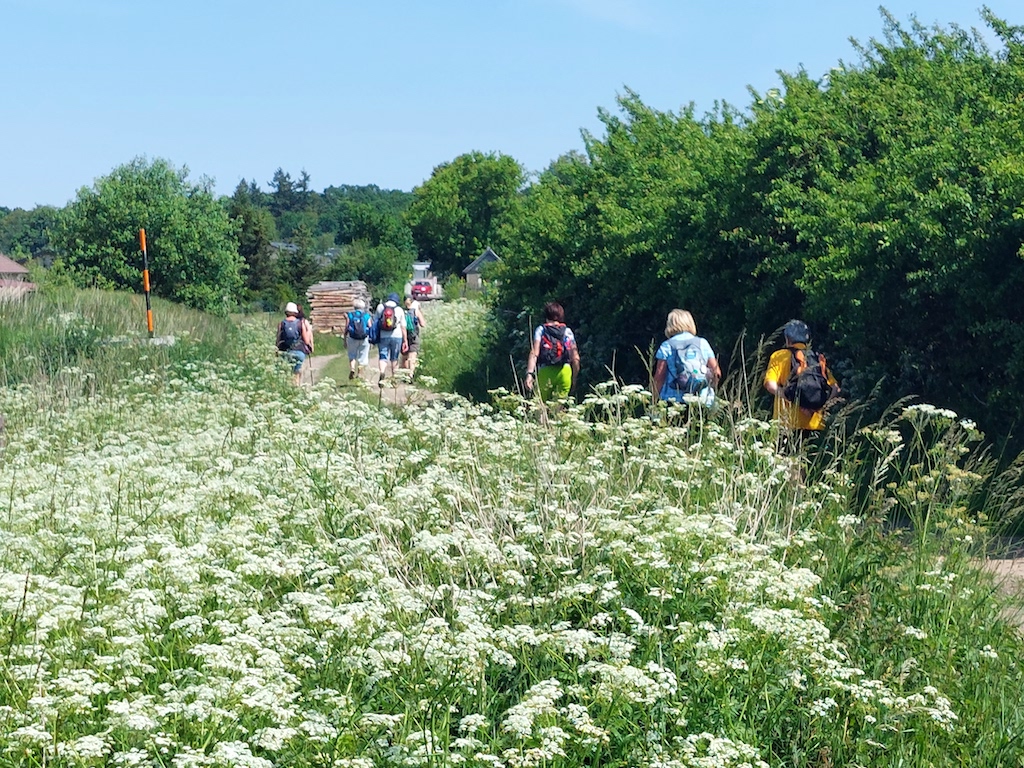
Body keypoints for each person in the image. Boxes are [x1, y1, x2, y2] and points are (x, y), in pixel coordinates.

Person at [763, 319, 840, 438]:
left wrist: (793, 400)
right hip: (815, 424)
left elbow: (770, 385)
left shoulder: (780, 356)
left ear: (787, 339)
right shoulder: (816, 358)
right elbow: (835, 388)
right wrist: (819, 408)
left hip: (787, 422)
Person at [652, 309, 721, 406]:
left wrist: (653, 399)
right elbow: (716, 372)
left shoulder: (667, 345)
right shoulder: (702, 343)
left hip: (673, 401)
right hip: (702, 401)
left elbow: (659, 377)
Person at [525, 301, 581, 402]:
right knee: (558, 409)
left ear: (546, 316)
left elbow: (534, 353)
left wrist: (529, 374)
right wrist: (574, 378)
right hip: (565, 371)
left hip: (546, 371)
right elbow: (575, 358)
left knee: (539, 406)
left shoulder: (541, 330)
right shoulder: (568, 332)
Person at [276, 301, 314, 385]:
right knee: (296, 374)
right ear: (295, 312)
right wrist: (309, 331)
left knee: (287, 374)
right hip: (299, 352)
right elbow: (306, 341)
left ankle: (289, 390)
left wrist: (276, 352)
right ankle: (296, 388)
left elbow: (278, 341)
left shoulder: (281, 324)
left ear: (286, 312)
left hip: (285, 353)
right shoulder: (300, 323)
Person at [375, 292, 408, 386]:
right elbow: (403, 327)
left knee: (383, 356)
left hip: (383, 335)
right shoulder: (399, 309)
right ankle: (394, 379)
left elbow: (375, 321)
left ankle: (382, 372)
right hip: (397, 336)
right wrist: (405, 340)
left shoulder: (380, 307)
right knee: (394, 358)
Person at [345, 298, 373, 381]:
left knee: (352, 354)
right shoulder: (366, 315)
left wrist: (344, 338)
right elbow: (370, 326)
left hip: (352, 337)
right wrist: (371, 339)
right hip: (364, 338)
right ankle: (360, 373)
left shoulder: (350, 315)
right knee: (363, 356)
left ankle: (352, 369)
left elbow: (346, 327)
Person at [401, 294, 427, 378]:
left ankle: (405, 375)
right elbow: (423, 324)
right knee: (412, 356)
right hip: (414, 336)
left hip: (403, 336)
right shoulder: (416, 311)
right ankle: (410, 374)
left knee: (405, 356)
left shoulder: (401, 311)